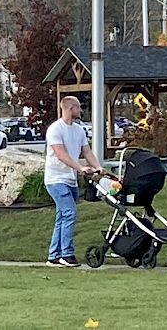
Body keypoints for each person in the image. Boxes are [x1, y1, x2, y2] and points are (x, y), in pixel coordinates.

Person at [45, 96, 103, 267]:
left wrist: (98, 167)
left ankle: (53, 256)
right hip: (55, 179)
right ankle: (66, 254)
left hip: (70, 180)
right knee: (70, 213)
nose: (81, 110)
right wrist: (80, 168)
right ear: (70, 108)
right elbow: (61, 154)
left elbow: (87, 152)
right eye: (78, 108)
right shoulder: (55, 129)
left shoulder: (79, 130)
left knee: (62, 216)